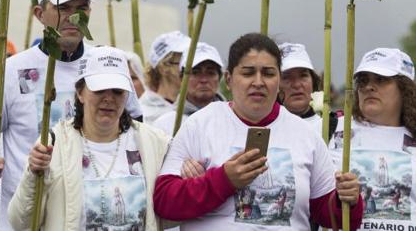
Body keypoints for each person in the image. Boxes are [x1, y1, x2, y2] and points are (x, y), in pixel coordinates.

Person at [153, 33, 363, 230]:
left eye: (269, 73)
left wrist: (347, 201)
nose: (258, 82)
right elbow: (163, 202)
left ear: (279, 80)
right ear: (229, 79)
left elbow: (331, 217)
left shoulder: (305, 134)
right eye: (248, 72)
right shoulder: (200, 125)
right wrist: (223, 180)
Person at [0, 0, 105, 230]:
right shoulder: (12, 70)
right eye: (62, 7)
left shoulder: (105, 66)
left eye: (81, 8)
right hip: (25, 221)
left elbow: (133, 135)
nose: (73, 17)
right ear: (39, 14)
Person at [8, 46, 170, 230]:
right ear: (80, 92)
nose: (108, 98)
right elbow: (21, 222)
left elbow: (169, 215)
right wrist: (33, 173)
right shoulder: (54, 144)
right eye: (99, 89)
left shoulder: (153, 142)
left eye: (117, 91)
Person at [329, 48, 416, 231]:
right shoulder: (331, 127)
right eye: (363, 80)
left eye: (381, 79)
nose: (368, 87)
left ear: (405, 88)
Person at [154, 42, 224, 135]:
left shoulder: (234, 119)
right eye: (195, 73)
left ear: (219, 78)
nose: (203, 80)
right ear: (182, 78)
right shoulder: (164, 125)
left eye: (210, 73)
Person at [278, 43, 338, 137]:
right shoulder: (262, 126)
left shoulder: (335, 125)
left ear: (313, 81)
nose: (297, 85)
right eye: (286, 77)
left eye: (303, 76)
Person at [139, 31, 190, 124]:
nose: (192, 68)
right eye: (185, 62)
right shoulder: (144, 114)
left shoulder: (195, 107)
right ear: (164, 67)